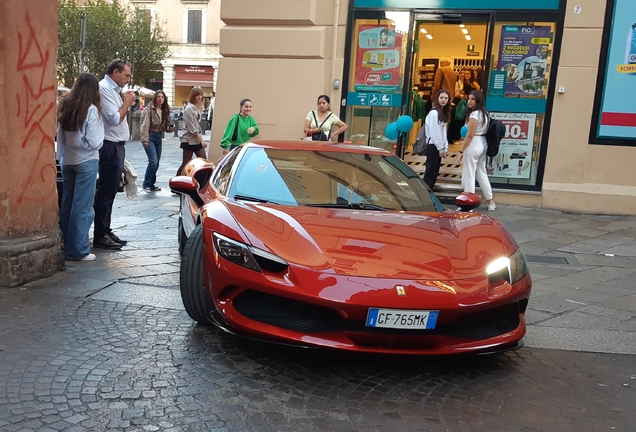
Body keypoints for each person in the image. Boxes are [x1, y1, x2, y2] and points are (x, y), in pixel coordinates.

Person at [57, 73, 104, 261]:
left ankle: (65, 244)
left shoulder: (64, 105)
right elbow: (94, 140)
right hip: (86, 160)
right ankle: (78, 249)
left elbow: (59, 135)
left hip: (67, 160)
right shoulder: (91, 109)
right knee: (82, 207)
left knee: (67, 204)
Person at [93, 59, 136, 250]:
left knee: (111, 189)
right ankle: (100, 234)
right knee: (106, 189)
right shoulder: (104, 89)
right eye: (126, 75)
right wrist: (126, 103)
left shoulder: (112, 90)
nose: (128, 79)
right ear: (116, 72)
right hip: (109, 145)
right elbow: (114, 118)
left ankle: (105, 229)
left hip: (116, 145)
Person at [458, 90, 495, 211]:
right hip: (483, 144)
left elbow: (469, 135)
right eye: (468, 98)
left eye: (472, 99)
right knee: (481, 173)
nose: (469, 101)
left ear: (478, 100)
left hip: (474, 144)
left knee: (469, 173)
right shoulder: (485, 114)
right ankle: (490, 201)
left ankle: (468, 204)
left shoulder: (474, 115)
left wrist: (461, 151)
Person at [140, 90, 172, 192]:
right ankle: (146, 184)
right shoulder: (149, 109)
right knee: (153, 161)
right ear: (155, 98)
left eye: (162, 97)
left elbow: (167, 125)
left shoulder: (165, 110)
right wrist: (145, 140)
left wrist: (169, 128)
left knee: (157, 162)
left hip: (159, 136)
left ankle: (151, 184)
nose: (160, 99)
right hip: (150, 136)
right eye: (158, 97)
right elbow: (144, 125)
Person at [423, 89, 451, 190]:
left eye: (446, 98)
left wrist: (445, 148)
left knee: (434, 172)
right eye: (441, 98)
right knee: (430, 172)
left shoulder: (442, 113)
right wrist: (441, 149)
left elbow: (443, 133)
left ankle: (428, 192)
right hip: (433, 146)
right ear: (437, 99)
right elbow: (435, 133)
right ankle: (426, 193)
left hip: (437, 147)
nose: (443, 100)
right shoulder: (434, 113)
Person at [177, 87, 208, 175]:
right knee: (186, 164)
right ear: (193, 96)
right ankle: (177, 180)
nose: (200, 97)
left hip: (195, 140)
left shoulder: (196, 108)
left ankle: (202, 180)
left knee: (203, 161)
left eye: (201, 95)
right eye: (197, 95)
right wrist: (202, 140)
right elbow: (193, 128)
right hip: (188, 140)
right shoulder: (189, 108)